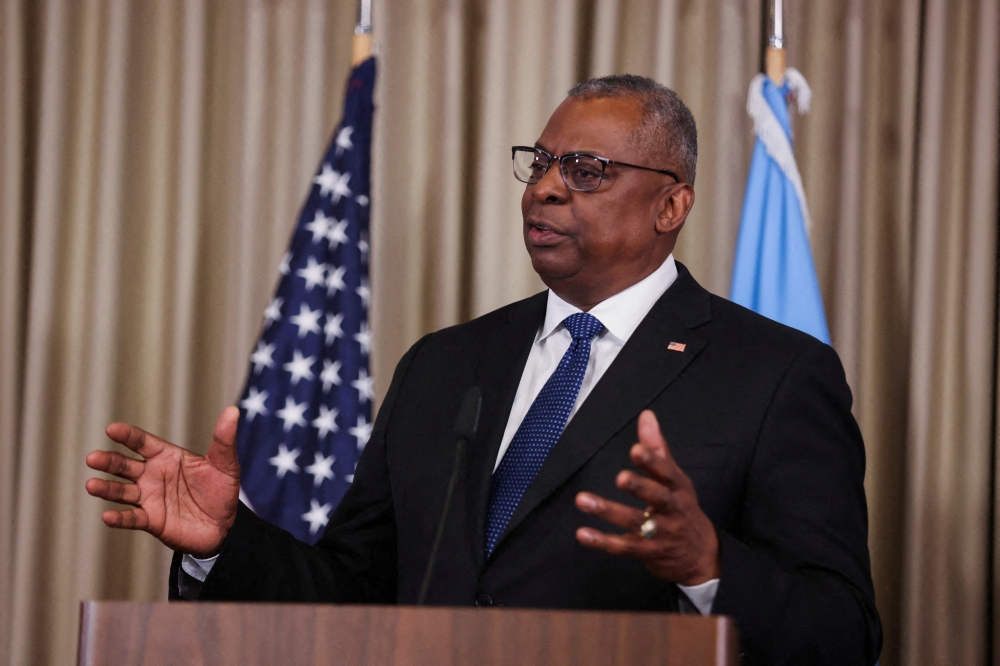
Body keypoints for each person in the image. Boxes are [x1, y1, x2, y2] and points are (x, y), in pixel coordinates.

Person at [85, 74, 882, 665]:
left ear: (670, 205)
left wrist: (711, 565)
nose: (544, 189)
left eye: (587, 171)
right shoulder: (445, 364)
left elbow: (843, 629)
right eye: (539, 163)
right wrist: (225, 544)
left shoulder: (775, 375)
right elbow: (358, 591)